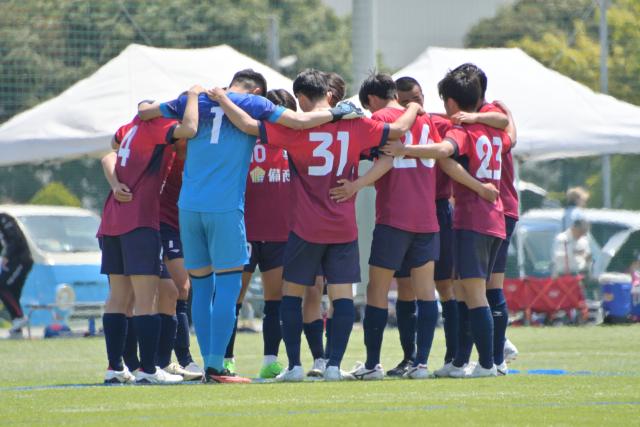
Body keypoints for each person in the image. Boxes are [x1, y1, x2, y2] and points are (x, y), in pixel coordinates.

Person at [139, 69, 364, 383]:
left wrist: (188, 95)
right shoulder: (252, 104)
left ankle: (208, 366)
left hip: (188, 208)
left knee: (201, 289)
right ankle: (216, 367)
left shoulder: (196, 98)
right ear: (258, 91)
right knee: (228, 289)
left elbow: (146, 111)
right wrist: (340, 111)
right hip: (225, 209)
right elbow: (300, 122)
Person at [209, 68, 424, 381]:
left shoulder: (296, 130)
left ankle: (295, 366)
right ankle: (334, 366)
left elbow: (244, 124)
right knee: (342, 298)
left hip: (304, 228)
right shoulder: (357, 124)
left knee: (292, 296)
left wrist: (221, 98)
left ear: (300, 99)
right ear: (329, 94)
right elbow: (399, 130)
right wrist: (414, 107)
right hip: (342, 227)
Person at [382, 66, 514, 378]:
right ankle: (484, 359)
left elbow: (443, 151)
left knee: (473, 295)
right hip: (497, 218)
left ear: (450, 102)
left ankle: (486, 364)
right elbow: (507, 128)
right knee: (475, 292)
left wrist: (405, 149)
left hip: (473, 219)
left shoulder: (460, 131)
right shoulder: (492, 130)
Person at [97, 86, 201, 384]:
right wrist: (192, 96)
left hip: (112, 219)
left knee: (118, 298)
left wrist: (116, 183)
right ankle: (148, 369)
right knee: (146, 298)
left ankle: (115, 368)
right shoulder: (160, 125)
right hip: (140, 220)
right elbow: (191, 129)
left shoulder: (130, 127)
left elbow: (109, 152)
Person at [442, 63, 518, 375]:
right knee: (471, 288)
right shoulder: (488, 124)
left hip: (496, 209)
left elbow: (508, 126)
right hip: (496, 210)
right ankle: (466, 359)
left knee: (486, 290)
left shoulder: (480, 120)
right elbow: (509, 129)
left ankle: (493, 358)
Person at [223, 88, 298, 379]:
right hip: (243, 232)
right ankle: (225, 358)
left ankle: (270, 360)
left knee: (274, 299)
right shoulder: (245, 140)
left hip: (280, 232)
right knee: (233, 298)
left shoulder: (294, 144)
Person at [0, 213, 33, 338]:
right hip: (14, 261)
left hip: (21, 260)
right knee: (13, 292)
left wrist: (6, 256)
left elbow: (15, 240)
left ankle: (19, 317)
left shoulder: (4, 219)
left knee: (3, 287)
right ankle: (17, 324)